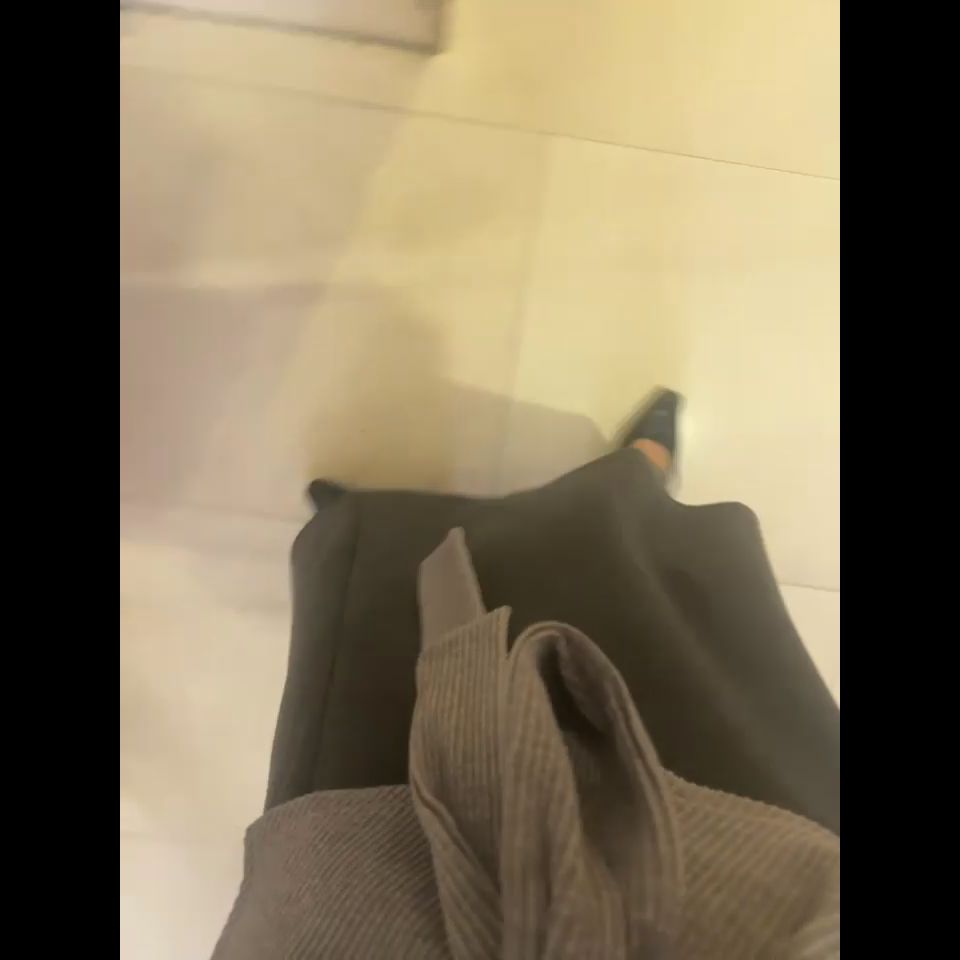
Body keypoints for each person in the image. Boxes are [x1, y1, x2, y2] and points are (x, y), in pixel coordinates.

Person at [213, 388, 840, 959]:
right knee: (643, 596)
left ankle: (371, 534)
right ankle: (632, 478)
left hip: (350, 905)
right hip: (768, 886)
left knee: (363, 665)